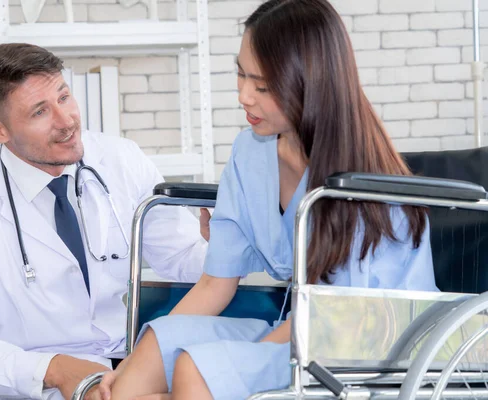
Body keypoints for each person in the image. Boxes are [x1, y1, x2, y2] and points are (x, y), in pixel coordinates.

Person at [98, 0, 439, 399]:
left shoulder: (365, 186)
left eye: (262, 85)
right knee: (158, 346)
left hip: (366, 348)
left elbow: (338, 323)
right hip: (299, 331)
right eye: (241, 74)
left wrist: (233, 370)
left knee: (197, 369)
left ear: (309, 84)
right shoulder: (250, 152)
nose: (244, 95)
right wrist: (132, 365)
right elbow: (213, 284)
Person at [0, 43, 209, 400]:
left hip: (134, 369)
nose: (67, 121)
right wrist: (53, 368)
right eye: (40, 112)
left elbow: (181, 258)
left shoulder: (121, 160)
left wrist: (224, 248)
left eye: (64, 97)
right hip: (39, 387)